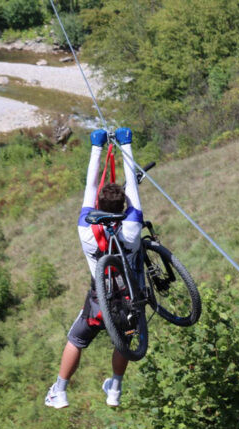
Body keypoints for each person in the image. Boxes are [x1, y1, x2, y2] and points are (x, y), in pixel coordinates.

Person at [45, 127, 143, 408]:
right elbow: (133, 189)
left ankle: (60, 391)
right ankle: (115, 390)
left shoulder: (86, 230)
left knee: (76, 339)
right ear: (123, 206)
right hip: (128, 297)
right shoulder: (133, 227)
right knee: (123, 340)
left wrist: (96, 147)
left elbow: (90, 187)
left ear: (98, 206)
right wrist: (126, 144)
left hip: (100, 300)